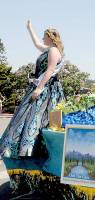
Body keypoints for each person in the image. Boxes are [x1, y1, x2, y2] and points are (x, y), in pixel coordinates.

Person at [0, 20, 65, 158]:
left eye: (44, 36)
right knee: (29, 116)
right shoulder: (49, 49)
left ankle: (30, 150)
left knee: (35, 116)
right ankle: (23, 149)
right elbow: (37, 44)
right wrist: (30, 28)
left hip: (45, 89)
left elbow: (50, 70)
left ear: (50, 37)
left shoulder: (53, 50)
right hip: (43, 86)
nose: (42, 38)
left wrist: (39, 88)